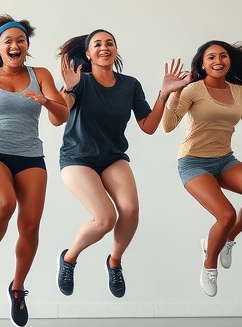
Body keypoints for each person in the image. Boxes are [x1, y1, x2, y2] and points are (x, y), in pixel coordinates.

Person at [55, 29, 189, 298]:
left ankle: (114, 262)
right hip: (77, 158)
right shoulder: (79, 82)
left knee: (130, 210)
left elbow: (149, 127)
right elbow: (57, 119)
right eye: (97, 44)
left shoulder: (130, 85)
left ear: (115, 50)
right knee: (105, 219)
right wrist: (68, 88)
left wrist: (163, 95)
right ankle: (69, 258)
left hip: (113, 157)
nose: (105, 47)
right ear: (89, 54)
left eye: (110, 43)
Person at [162, 40, 242, 297]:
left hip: (224, 160)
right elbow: (168, 126)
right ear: (203, 63)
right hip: (193, 162)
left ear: (229, 61)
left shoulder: (239, 92)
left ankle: (226, 240)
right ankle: (209, 265)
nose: (218, 61)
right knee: (226, 215)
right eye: (211, 57)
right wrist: (175, 92)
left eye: (223, 56)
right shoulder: (192, 90)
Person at [0, 16, 68, 327]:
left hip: (30, 156)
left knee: (30, 226)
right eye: (8, 41)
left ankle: (18, 288)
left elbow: (60, 116)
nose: (15, 45)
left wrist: (45, 100)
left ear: (26, 46)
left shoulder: (41, 75)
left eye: (20, 41)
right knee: (4, 204)